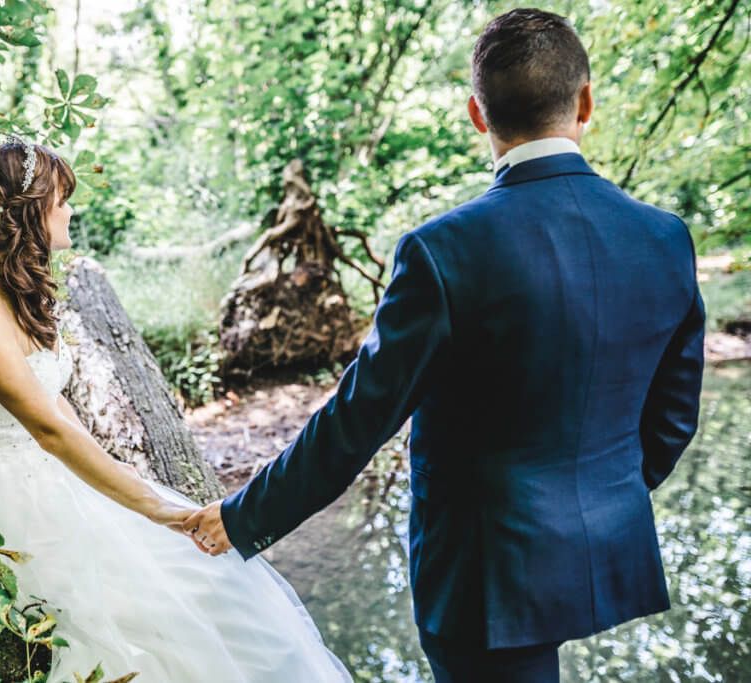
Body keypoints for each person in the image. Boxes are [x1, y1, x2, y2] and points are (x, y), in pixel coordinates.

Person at [183, 8, 706, 683]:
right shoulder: (665, 237)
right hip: (604, 546)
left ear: (477, 115)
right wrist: (607, 495)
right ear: (585, 102)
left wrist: (241, 516)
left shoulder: (444, 251)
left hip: (483, 578)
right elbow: (672, 419)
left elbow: (356, 423)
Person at [0, 135, 353, 682]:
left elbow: (58, 408)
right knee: (143, 614)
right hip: (2, 486)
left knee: (213, 589)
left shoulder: (15, 291)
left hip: (48, 471)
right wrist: (154, 507)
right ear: (29, 210)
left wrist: (132, 483)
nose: (69, 210)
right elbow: (45, 428)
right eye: (60, 199)